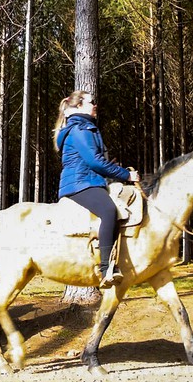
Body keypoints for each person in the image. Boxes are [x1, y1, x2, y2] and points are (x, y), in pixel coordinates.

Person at [53, 90, 138, 289]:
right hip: (80, 184)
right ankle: (106, 268)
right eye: (92, 102)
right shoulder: (81, 129)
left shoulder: (83, 127)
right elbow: (94, 161)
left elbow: (93, 161)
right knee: (109, 210)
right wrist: (126, 175)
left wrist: (114, 169)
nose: (95, 105)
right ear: (78, 106)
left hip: (86, 180)